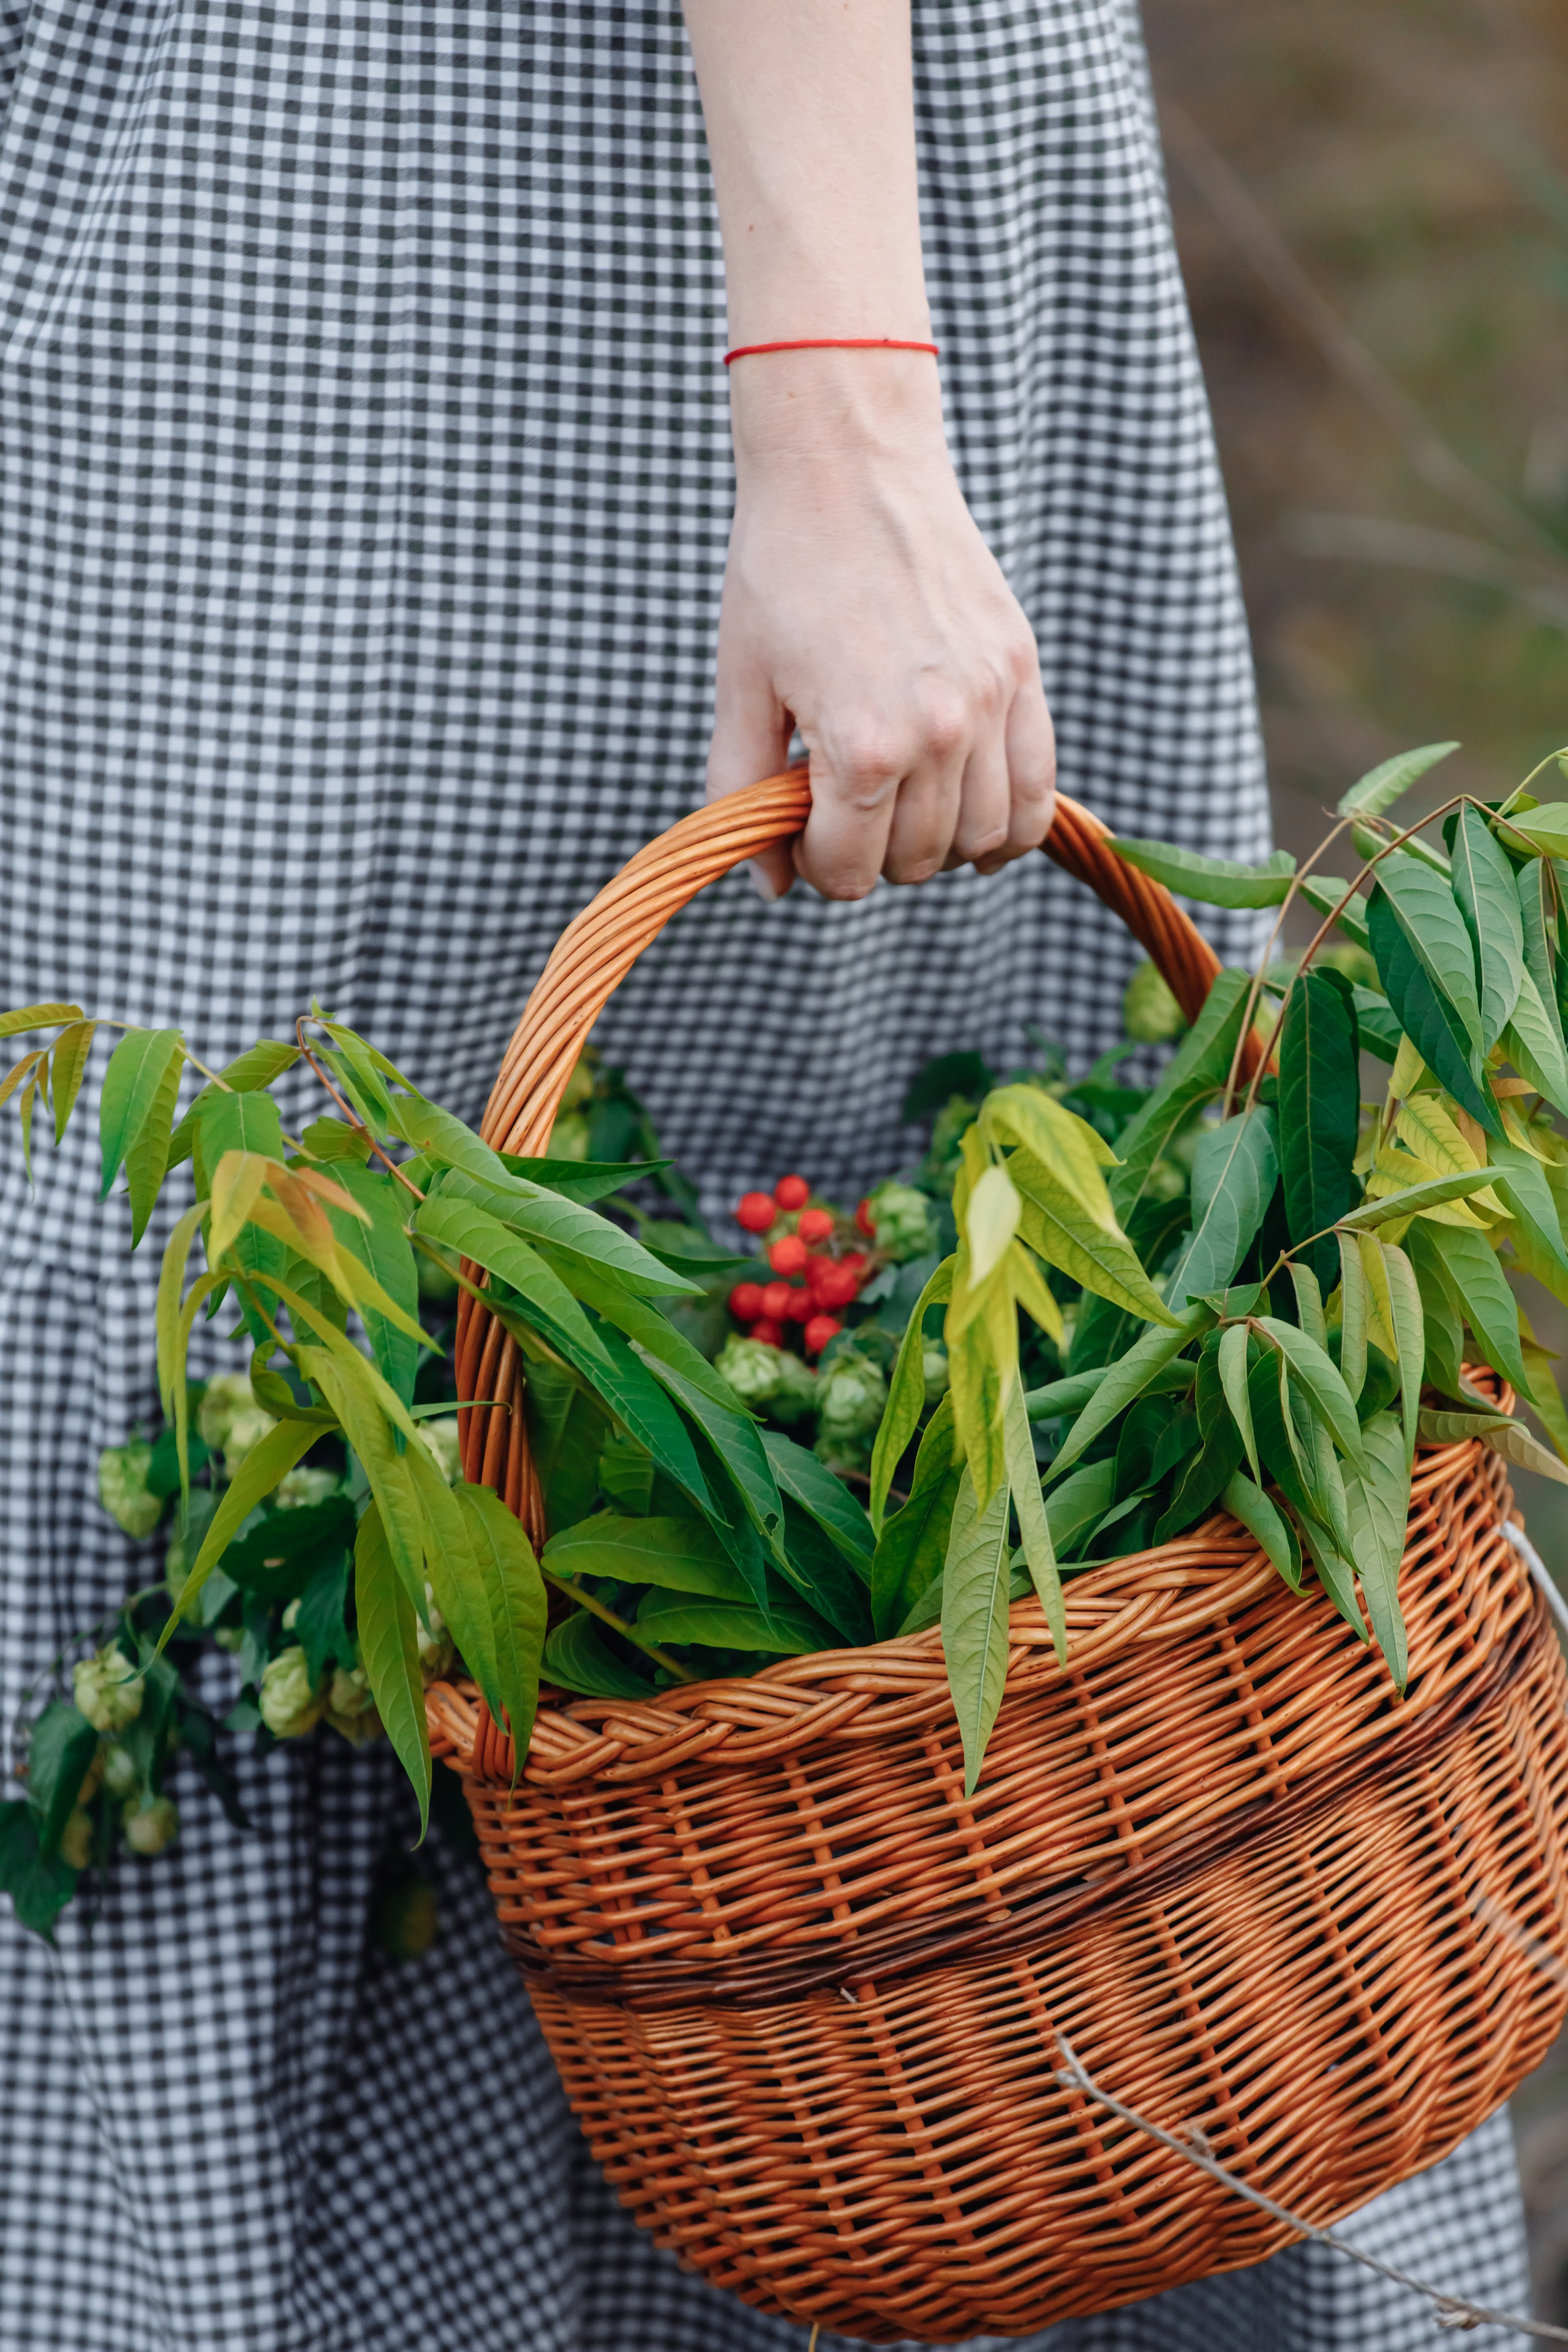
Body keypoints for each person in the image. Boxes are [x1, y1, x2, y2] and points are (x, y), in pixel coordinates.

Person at [0, 1, 1528, 2346]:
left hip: (588, 191)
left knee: (414, 1339)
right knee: (342, 1345)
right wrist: (844, 395)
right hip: (456, 188)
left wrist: (844, 401)